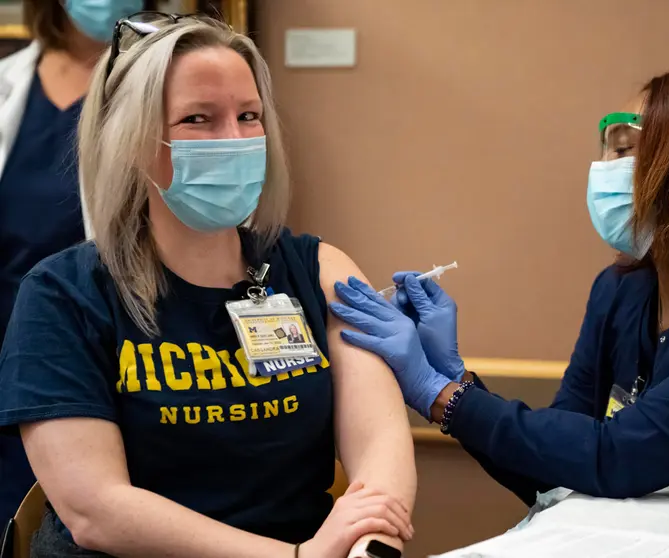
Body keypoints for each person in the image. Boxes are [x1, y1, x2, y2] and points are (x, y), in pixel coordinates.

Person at [0, 13, 415, 558]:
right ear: (130, 141)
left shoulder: (319, 270)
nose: (235, 140)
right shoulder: (62, 295)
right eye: (198, 119)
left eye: (249, 116)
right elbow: (95, 510)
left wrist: (366, 547)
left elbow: (380, 454)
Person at [330, 68, 669, 504]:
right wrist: (456, 379)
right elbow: (560, 465)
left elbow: (622, 456)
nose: (605, 172)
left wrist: (441, 395)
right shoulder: (622, 291)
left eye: (625, 152)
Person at [0, 0, 144, 528]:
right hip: (4, 344)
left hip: (95, 350)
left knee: (82, 514)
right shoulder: (9, 82)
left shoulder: (149, 81)